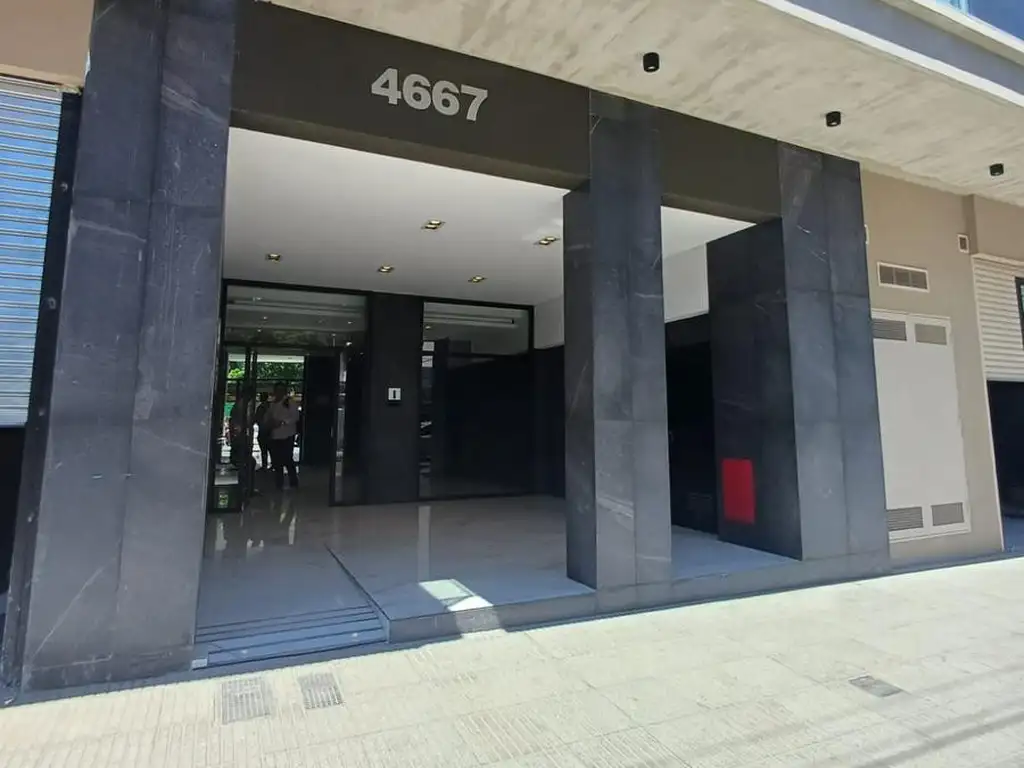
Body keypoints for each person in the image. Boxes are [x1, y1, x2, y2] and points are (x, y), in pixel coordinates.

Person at [268, 382, 300, 490]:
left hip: (287, 435)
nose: (279, 392)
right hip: (275, 435)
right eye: (277, 390)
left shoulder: (289, 402)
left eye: (281, 390)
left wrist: (283, 422)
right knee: (276, 461)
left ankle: (293, 482)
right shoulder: (273, 404)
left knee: (287, 459)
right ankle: (279, 483)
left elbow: (295, 417)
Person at [254, 392, 271, 470]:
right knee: (271, 449)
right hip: (270, 431)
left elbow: (257, 418)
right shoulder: (270, 406)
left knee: (264, 450)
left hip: (263, 431)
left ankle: (265, 465)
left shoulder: (260, 407)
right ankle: (274, 464)